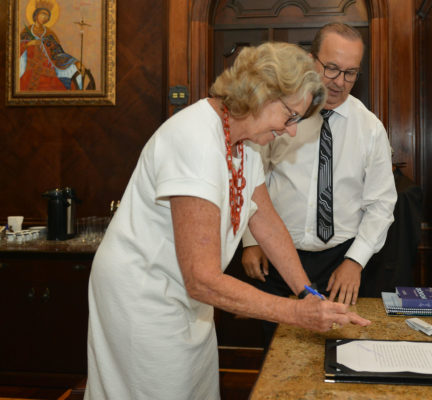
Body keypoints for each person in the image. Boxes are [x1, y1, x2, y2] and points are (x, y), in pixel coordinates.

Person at [85, 42, 370, 400]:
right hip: (143, 298)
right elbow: (202, 279)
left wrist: (308, 292)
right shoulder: (195, 140)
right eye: (291, 116)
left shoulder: (245, 144)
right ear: (262, 93)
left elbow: (266, 222)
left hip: (188, 295)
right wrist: (295, 313)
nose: (292, 130)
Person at [241, 23, 397, 344]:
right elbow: (251, 178)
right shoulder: (282, 113)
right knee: (275, 354)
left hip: (339, 264)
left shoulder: (370, 128)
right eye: (332, 68)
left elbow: (381, 205)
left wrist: (355, 261)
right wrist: (249, 239)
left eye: (351, 73)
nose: (340, 82)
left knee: (335, 351)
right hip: (276, 258)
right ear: (312, 61)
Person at [19, 3, 88, 91]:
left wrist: (75, 62)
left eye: (47, 16)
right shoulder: (26, 32)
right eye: (43, 14)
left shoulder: (50, 34)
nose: (45, 17)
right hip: (30, 70)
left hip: (48, 72)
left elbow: (58, 53)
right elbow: (15, 50)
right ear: (36, 14)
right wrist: (29, 44)